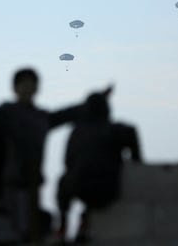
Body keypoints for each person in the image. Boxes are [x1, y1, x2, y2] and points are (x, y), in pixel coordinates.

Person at [0, 68, 110, 242]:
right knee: (15, 230)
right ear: (15, 88)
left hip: (34, 182)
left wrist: (97, 101)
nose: (28, 88)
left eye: (32, 84)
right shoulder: (7, 113)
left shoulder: (42, 117)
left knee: (30, 230)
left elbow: (68, 113)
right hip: (13, 180)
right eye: (23, 84)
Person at [57, 91, 142, 243]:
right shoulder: (114, 129)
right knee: (93, 181)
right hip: (107, 189)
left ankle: (63, 226)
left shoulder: (77, 132)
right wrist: (137, 162)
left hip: (79, 186)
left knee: (65, 182)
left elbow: (67, 161)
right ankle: (83, 224)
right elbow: (132, 131)